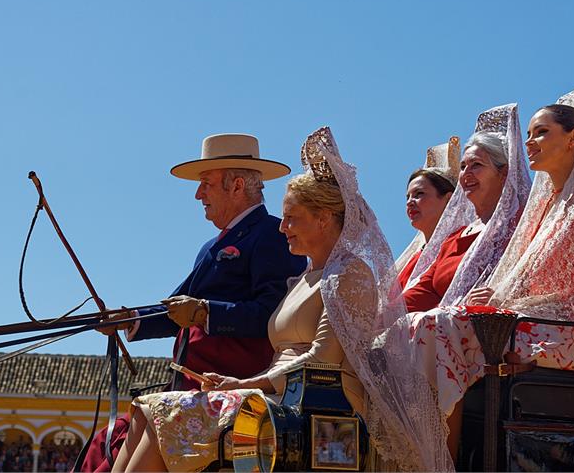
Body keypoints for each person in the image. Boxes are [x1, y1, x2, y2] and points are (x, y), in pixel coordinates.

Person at [374, 79, 574, 471]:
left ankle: (442, 464)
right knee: (413, 327)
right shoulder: (542, 210)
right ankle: (423, 458)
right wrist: (496, 301)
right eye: (528, 133)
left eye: (542, 132)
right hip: (534, 325)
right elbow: (520, 283)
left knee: (435, 327)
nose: (529, 141)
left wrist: (510, 311)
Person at [111, 126, 385, 472]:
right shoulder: (302, 279)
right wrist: (129, 319)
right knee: (146, 411)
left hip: (320, 409)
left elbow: (321, 360)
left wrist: (243, 381)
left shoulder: (348, 274)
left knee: (163, 415)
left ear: (324, 218)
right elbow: (178, 304)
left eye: (292, 218)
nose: (283, 227)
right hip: (279, 396)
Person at [82, 133, 306, 472]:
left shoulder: (272, 237)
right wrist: (130, 319)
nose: (199, 194)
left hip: (230, 382)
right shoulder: (211, 247)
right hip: (189, 385)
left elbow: (271, 317)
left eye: (206, 184)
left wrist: (205, 313)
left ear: (237, 185)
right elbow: (174, 309)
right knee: (105, 445)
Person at [402, 104, 531, 312]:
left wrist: (502, 296)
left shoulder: (522, 225)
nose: (466, 173)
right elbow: (421, 294)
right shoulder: (453, 239)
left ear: (503, 173)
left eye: (476, 165)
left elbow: (535, 279)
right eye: (463, 167)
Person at [394, 137, 459, 290]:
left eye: (419, 194)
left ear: (448, 199)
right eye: (407, 197)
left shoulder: (457, 247)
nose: (410, 202)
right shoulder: (409, 261)